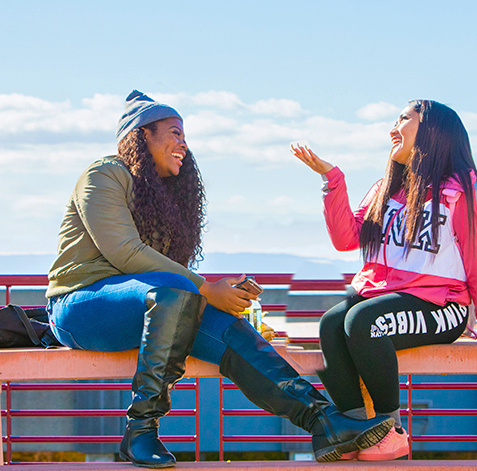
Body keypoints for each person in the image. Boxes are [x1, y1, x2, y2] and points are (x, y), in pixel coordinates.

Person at [45, 90, 394, 468]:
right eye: (175, 133)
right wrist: (207, 289)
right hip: (80, 307)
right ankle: (140, 430)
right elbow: (126, 252)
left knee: (227, 327)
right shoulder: (104, 175)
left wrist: (218, 297)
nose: (183, 144)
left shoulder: (161, 196)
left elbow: (168, 284)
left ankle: (321, 420)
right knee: (182, 293)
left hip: (154, 307)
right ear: (143, 134)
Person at [292, 100, 477, 461]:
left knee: (362, 321)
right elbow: (346, 238)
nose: (393, 128)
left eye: (404, 119)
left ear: (433, 132)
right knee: (330, 324)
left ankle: (390, 432)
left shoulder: (461, 192)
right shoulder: (387, 188)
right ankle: (357, 432)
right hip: (384, 296)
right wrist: (333, 180)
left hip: (443, 306)